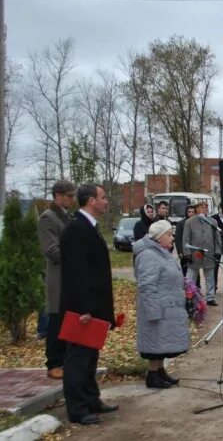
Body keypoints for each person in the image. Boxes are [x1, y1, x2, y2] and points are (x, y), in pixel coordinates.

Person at [59, 184, 118, 425]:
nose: (106, 201)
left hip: (94, 306)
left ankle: (91, 399)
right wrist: (82, 308)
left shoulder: (89, 227)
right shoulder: (76, 229)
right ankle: (77, 408)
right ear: (91, 200)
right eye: (103, 197)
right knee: (78, 360)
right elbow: (75, 273)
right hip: (83, 309)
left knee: (91, 357)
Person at [134, 221, 189, 389]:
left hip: (167, 307)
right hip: (157, 308)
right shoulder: (149, 255)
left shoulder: (161, 252)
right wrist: (153, 311)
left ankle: (159, 371)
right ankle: (152, 375)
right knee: (155, 343)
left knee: (161, 343)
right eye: (169, 234)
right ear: (158, 238)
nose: (172, 238)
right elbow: (146, 285)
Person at [38, 179, 75, 380]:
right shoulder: (48, 218)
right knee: (56, 320)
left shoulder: (66, 217)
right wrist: (75, 254)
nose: (72, 200)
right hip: (58, 277)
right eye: (69, 196)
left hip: (69, 278)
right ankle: (53, 362)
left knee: (66, 319)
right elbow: (51, 250)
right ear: (58, 196)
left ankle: (64, 359)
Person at [182, 202, 222, 306]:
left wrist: (218, 251)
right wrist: (187, 254)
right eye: (202, 208)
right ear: (197, 209)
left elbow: (218, 238)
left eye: (206, 207)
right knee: (191, 277)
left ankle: (210, 297)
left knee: (210, 277)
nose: (204, 209)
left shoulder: (213, 221)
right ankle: (189, 296)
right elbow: (185, 239)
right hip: (195, 254)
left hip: (209, 254)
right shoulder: (189, 222)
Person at [174, 205, 196, 276]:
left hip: (195, 252)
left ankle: (197, 286)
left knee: (196, 271)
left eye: (193, 212)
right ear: (186, 213)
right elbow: (178, 239)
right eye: (189, 212)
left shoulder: (197, 222)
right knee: (184, 271)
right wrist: (180, 251)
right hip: (184, 252)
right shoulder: (181, 223)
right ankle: (184, 286)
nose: (191, 213)